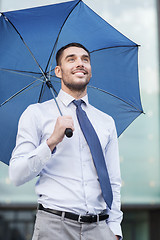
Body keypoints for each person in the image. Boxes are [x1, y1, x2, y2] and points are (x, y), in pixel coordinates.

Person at [9, 42, 123, 240]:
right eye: (71, 59)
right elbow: (17, 174)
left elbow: (113, 180)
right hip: (54, 227)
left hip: (100, 229)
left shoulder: (106, 121)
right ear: (58, 71)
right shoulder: (36, 114)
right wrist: (52, 141)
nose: (80, 63)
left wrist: (114, 229)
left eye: (85, 59)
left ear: (90, 69)